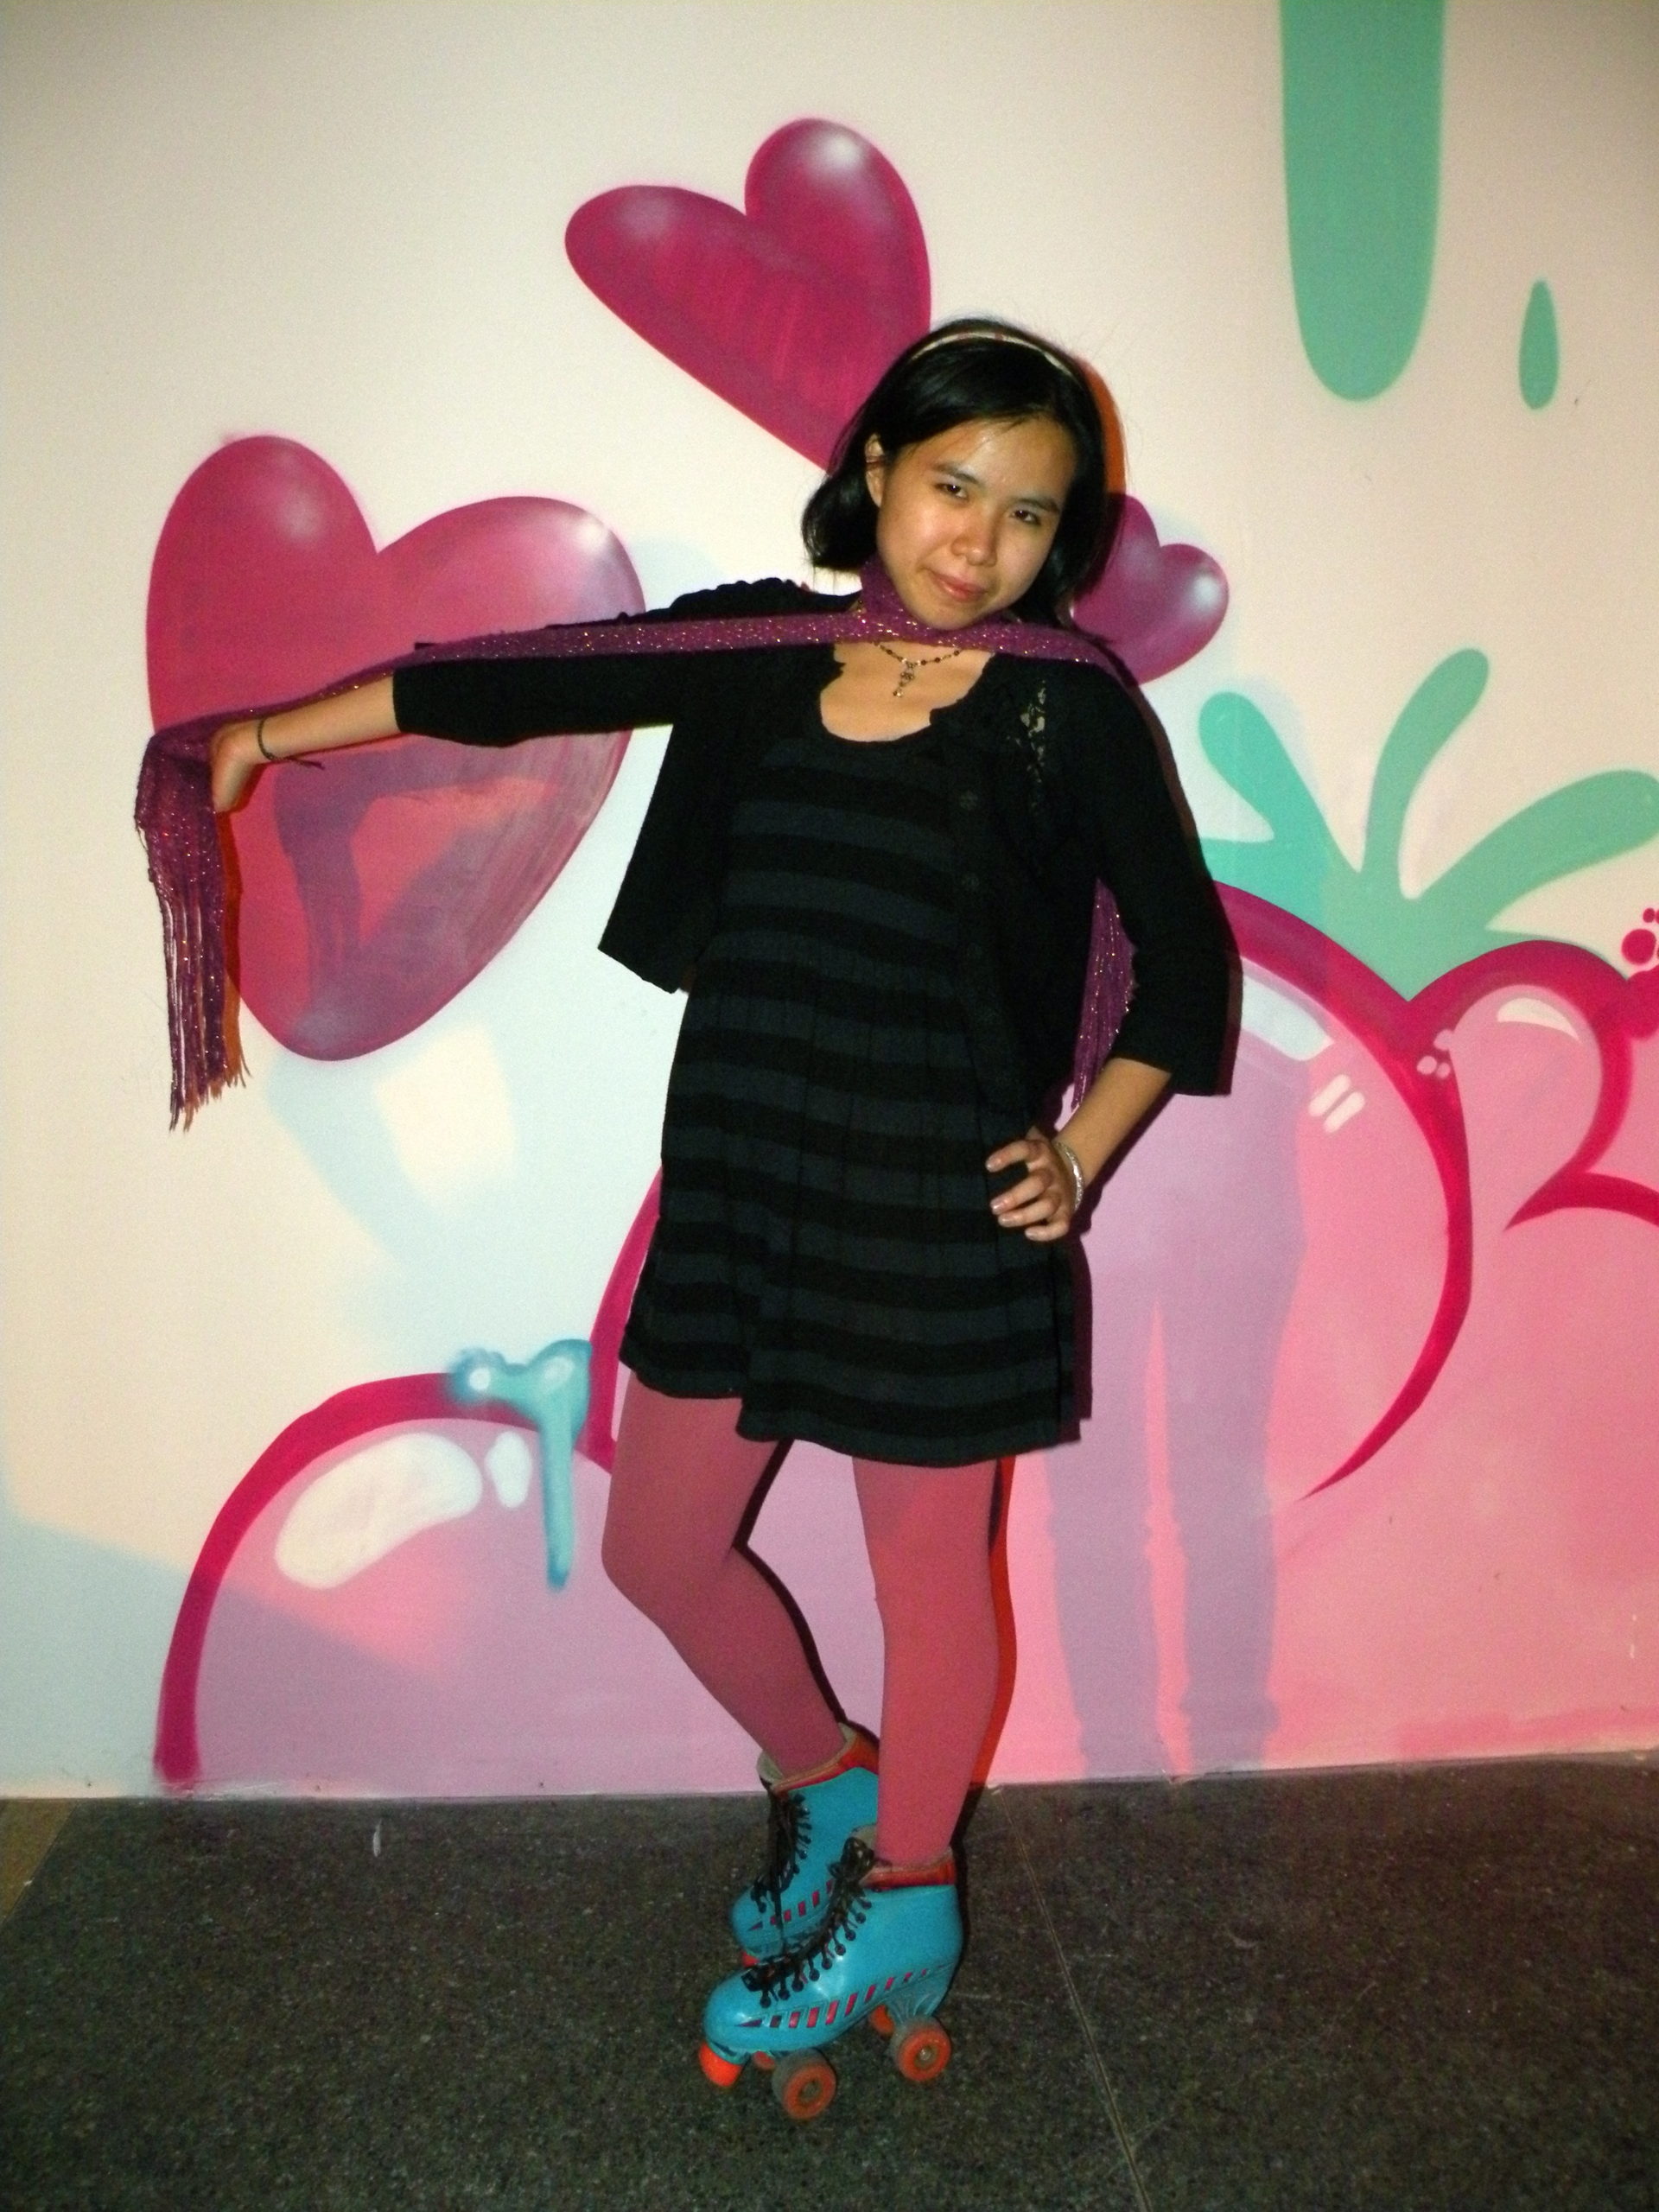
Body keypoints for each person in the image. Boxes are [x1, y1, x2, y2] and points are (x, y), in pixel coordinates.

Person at [207, 319, 1230, 2112]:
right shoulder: (762, 650)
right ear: (878, 472)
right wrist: (270, 734)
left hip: (940, 1216)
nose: (980, 540)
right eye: (953, 486)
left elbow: (1183, 969)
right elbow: (519, 681)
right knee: (660, 1549)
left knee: (931, 1574)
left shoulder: (1063, 703)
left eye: (1027, 512)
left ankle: (906, 1899)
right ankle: (832, 1779)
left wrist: (1083, 1152)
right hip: (745, 1181)